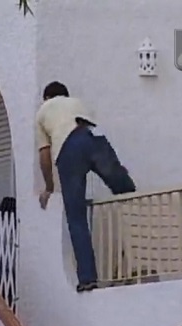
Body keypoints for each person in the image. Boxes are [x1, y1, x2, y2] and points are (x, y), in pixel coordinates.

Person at [35, 81, 135, 293]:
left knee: (76, 217)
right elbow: (95, 128)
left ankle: (88, 278)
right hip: (94, 140)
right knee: (125, 190)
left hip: (68, 151)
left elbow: (44, 155)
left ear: (46, 98)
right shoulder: (77, 103)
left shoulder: (42, 112)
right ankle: (135, 207)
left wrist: (49, 187)